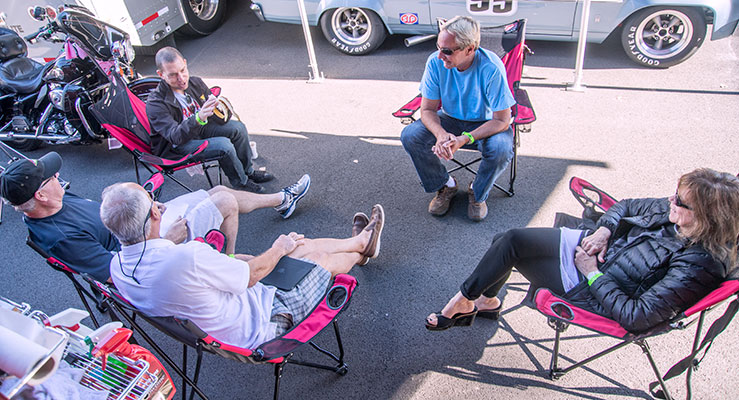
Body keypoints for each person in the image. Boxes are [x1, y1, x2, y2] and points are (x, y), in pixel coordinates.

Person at [425, 169, 739, 333]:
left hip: (595, 289)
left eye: (680, 202)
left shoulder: (699, 264)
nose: (670, 201)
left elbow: (637, 316)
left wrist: (592, 274)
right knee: (507, 240)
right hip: (595, 248)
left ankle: (467, 301)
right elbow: (626, 205)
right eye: (674, 194)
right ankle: (482, 300)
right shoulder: (675, 212)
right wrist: (604, 231)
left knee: (509, 246)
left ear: (708, 218)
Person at [100, 181, 386, 349]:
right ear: (154, 213)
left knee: (298, 248)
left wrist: (270, 255)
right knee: (316, 260)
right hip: (263, 324)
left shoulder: (118, 268)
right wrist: (277, 248)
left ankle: (360, 244)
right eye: (155, 202)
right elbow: (249, 276)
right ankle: (360, 249)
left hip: (217, 325)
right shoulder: (186, 256)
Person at [0, 152, 311, 283]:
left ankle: (282, 200)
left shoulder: (58, 200)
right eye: (51, 176)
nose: (58, 176)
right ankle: (230, 261)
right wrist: (163, 238)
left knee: (216, 190)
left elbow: (107, 212)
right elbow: (119, 275)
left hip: (140, 226)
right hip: (146, 248)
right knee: (225, 200)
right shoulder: (60, 235)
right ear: (39, 195)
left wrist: (142, 204)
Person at [400, 16, 516, 221]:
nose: (439, 55)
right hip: (450, 118)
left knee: (500, 148)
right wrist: (441, 134)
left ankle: (478, 193)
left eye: (447, 51)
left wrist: (465, 138)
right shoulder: (435, 63)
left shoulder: (491, 68)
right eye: (438, 47)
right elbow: (427, 109)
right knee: (411, 135)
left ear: (470, 49)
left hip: (486, 123)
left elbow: (502, 120)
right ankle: (445, 185)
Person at [146, 46, 272, 193]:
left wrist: (220, 109)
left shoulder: (195, 83)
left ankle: (248, 172)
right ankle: (241, 183)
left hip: (199, 129)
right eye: (173, 75)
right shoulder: (155, 103)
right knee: (223, 145)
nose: (181, 79)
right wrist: (199, 118)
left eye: (183, 70)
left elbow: (219, 120)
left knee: (238, 128)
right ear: (161, 74)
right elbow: (175, 137)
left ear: (185, 63)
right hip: (176, 146)